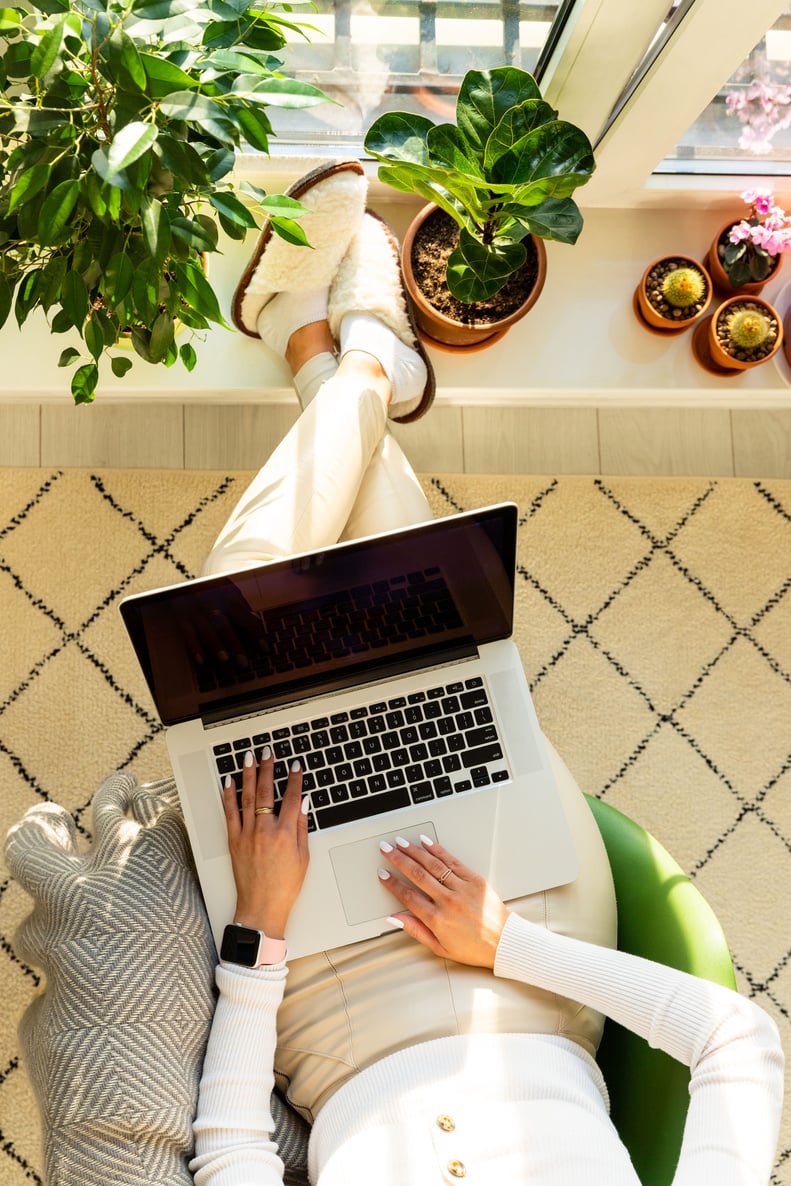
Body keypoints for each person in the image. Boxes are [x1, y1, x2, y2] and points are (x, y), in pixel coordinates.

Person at [189, 162, 784, 1186]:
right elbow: (735, 1036)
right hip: (526, 946)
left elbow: (232, 1157)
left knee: (236, 625)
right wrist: (506, 944)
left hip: (321, 1005)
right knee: (415, 623)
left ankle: (352, 365)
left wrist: (261, 930)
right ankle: (346, 357)